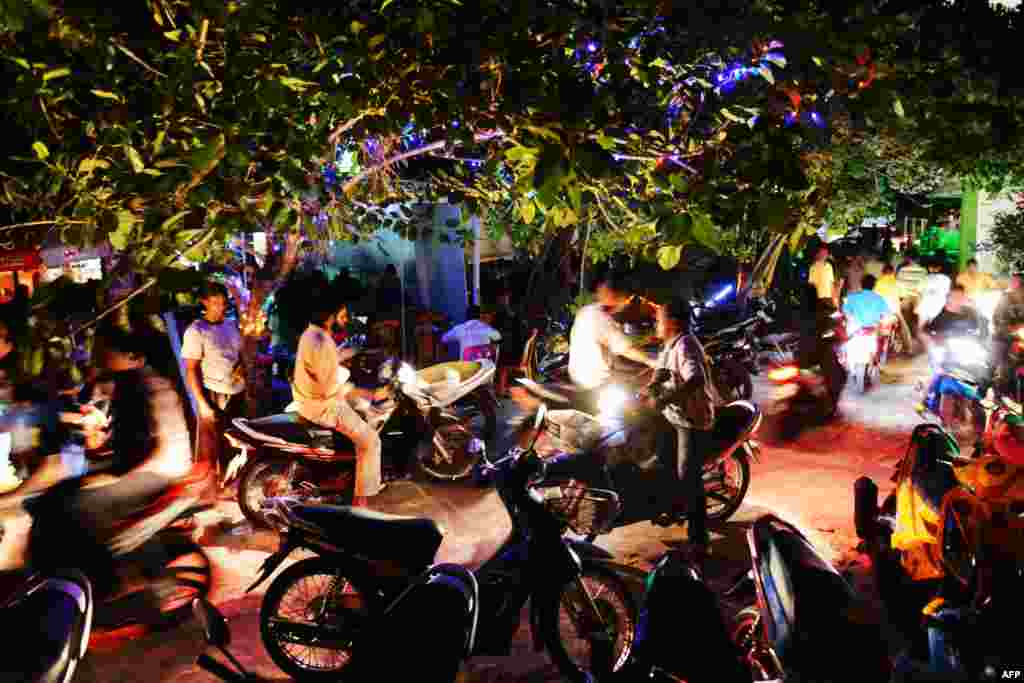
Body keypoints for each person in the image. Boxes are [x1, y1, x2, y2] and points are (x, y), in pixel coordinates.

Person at [4, 328, 193, 602]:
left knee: (72, 507)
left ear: (129, 356)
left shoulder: (135, 384)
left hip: (155, 471)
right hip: (154, 464)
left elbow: (139, 448)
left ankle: (101, 584)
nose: (101, 357)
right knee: (60, 496)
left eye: (107, 351)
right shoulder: (138, 379)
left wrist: (100, 473)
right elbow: (128, 437)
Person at [292, 292, 385, 507]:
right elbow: (330, 388)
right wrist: (368, 393)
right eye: (341, 316)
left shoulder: (312, 333)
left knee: (363, 411)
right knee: (371, 441)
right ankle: (360, 503)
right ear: (329, 317)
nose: (344, 320)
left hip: (309, 399)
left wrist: (352, 351)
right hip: (323, 406)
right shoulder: (321, 342)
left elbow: (327, 361)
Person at [644, 297, 718, 561]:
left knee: (689, 477)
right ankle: (669, 505)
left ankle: (700, 541)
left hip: (692, 420)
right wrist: (650, 388)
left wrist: (665, 398)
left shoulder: (686, 345)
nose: (656, 323)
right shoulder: (670, 344)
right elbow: (662, 372)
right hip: (675, 416)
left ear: (673, 323)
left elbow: (695, 378)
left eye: (659, 319)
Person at [181, 281, 244, 471]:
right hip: (214, 392)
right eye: (215, 302)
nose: (220, 307)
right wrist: (201, 402)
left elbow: (239, 354)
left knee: (237, 439)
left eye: (223, 302)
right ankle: (216, 483)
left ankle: (235, 479)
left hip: (237, 390)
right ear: (204, 302)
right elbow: (191, 369)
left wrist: (241, 368)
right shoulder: (196, 331)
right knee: (216, 444)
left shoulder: (231, 325)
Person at [568, 274, 657, 396]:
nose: (625, 304)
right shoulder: (599, 317)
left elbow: (615, 357)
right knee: (646, 393)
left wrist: (635, 369)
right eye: (624, 299)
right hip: (594, 383)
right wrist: (652, 361)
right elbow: (626, 349)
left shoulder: (587, 311)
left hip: (585, 378)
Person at [992, 273, 1024, 390]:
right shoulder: (1005, 297)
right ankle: (983, 390)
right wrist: (1009, 327)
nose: (1015, 284)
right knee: (996, 360)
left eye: (1018, 282)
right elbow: (997, 317)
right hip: (1002, 335)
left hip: (1020, 336)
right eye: (1013, 281)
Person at [492, 290, 526, 397]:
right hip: (516, 351)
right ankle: (502, 387)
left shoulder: (503, 315)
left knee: (501, 360)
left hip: (509, 352)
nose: (503, 300)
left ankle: (501, 389)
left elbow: (495, 333)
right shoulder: (514, 315)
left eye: (504, 298)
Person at [875, 264, 914, 352]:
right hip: (894, 311)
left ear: (882, 272)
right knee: (904, 327)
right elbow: (904, 295)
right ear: (893, 272)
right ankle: (909, 348)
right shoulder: (897, 282)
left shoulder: (878, 282)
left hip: (881, 312)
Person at [915, 260, 952, 338]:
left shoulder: (925, 278)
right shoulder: (947, 279)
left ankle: (920, 341)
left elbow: (918, 292)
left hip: (924, 305)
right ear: (939, 268)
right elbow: (947, 293)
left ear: (930, 268)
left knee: (920, 328)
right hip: (939, 307)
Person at [808, 245, 839, 310]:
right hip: (819, 299)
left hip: (829, 298)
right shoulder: (813, 267)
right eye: (822, 253)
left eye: (826, 253)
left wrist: (834, 299)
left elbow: (831, 283)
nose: (824, 255)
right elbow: (812, 284)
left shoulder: (829, 266)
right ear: (818, 254)